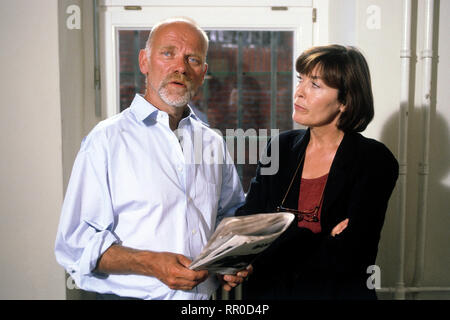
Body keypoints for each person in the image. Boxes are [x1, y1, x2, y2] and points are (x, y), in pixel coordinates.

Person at [55, 17, 249, 300]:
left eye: (192, 59)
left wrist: (230, 261)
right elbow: (75, 243)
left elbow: (230, 216)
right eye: (168, 53)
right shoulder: (106, 140)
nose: (180, 67)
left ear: (203, 72)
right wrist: (150, 263)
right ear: (144, 61)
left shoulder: (212, 142)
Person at [236, 44, 399, 300]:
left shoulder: (374, 159)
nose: (299, 92)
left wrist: (275, 238)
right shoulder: (280, 147)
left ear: (345, 101)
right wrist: (323, 234)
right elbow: (250, 220)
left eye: (315, 85)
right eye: (301, 80)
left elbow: (353, 249)